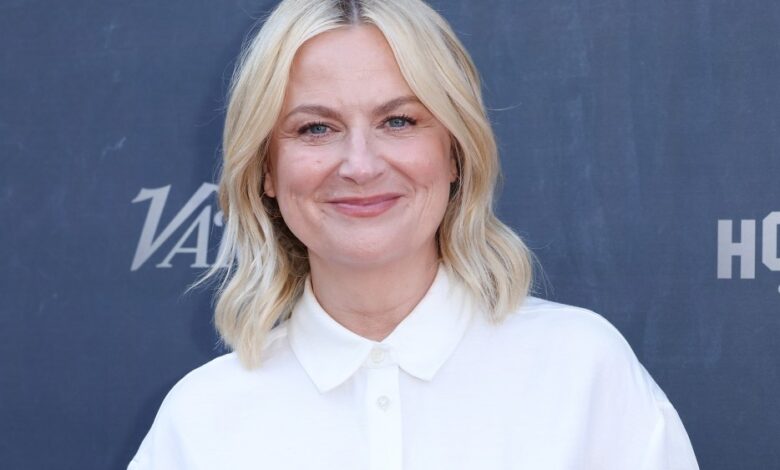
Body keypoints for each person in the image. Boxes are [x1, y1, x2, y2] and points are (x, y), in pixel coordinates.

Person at [129, 0, 699, 468]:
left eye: (398, 121)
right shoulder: (200, 420)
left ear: (455, 152)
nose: (359, 164)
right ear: (266, 171)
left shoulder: (582, 372)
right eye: (316, 128)